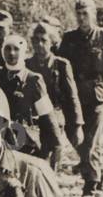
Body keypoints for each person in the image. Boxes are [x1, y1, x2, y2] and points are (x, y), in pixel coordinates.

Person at [58, 0, 103, 197]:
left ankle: (90, 186)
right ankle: (102, 171)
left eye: (85, 13)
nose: (81, 18)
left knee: (89, 140)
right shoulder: (69, 38)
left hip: (98, 95)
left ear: (93, 14)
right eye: (78, 14)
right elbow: (60, 67)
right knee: (75, 136)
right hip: (75, 97)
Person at [0, 34, 62, 165]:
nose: (11, 53)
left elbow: (47, 116)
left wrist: (56, 145)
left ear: (24, 52)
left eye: (16, 49)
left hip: (24, 142)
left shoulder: (33, 80)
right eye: (7, 48)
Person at [26, 21, 84, 175]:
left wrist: (77, 125)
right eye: (36, 40)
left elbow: (72, 97)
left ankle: (51, 178)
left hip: (55, 116)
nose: (39, 44)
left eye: (43, 40)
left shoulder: (61, 65)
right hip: (34, 117)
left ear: (51, 42)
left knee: (52, 151)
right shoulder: (27, 65)